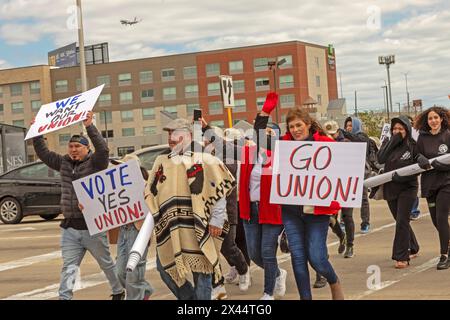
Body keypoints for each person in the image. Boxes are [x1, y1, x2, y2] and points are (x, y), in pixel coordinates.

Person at [256, 101, 344, 300]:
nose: (295, 130)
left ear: (308, 124)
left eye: (299, 125)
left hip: (317, 212)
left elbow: (341, 175)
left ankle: (334, 281)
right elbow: (260, 138)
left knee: (317, 258)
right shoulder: (283, 145)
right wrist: (265, 112)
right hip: (291, 212)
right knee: (297, 257)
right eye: (291, 126)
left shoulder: (326, 144)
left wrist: (336, 204)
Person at [32, 111, 124, 300]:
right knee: (69, 267)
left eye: (77, 146)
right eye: (70, 146)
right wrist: (37, 132)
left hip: (93, 227)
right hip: (70, 228)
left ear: (86, 148)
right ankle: (65, 297)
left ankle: (118, 291)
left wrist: (90, 126)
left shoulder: (96, 163)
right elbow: (43, 153)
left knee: (106, 263)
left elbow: (104, 150)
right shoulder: (63, 163)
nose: (73, 149)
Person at [145, 118, 235, 299]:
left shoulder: (205, 160)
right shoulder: (161, 161)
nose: (171, 138)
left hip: (199, 225)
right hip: (170, 226)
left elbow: (218, 191)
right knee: (164, 269)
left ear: (188, 135)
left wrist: (217, 219)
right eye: (169, 133)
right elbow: (151, 190)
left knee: (201, 271)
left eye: (176, 133)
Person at [239, 92, 287, 300]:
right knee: (254, 254)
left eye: (269, 133)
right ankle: (278, 273)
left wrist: (265, 113)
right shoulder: (248, 154)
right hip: (251, 210)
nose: (263, 136)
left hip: (271, 210)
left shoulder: (280, 156)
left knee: (268, 252)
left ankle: (268, 292)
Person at [201, 123, 251, 299]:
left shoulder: (230, 156)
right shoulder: (206, 153)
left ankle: (244, 270)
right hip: (208, 209)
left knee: (229, 245)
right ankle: (218, 284)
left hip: (228, 208)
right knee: (214, 250)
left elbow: (225, 178)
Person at [377, 116, 420, 269]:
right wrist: (392, 141)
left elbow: (418, 163)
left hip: (408, 188)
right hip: (391, 187)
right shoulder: (389, 144)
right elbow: (380, 158)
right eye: (395, 129)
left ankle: (401, 256)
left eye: (401, 129)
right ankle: (413, 246)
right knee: (401, 220)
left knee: (402, 221)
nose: (397, 131)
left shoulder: (413, 145)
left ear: (407, 130)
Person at [109, 154, 154, 300]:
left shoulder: (146, 185)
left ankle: (136, 297)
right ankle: (145, 290)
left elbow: (152, 209)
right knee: (119, 272)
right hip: (123, 230)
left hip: (138, 230)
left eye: (124, 166)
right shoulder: (116, 187)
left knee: (133, 271)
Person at [414, 106, 450, 270]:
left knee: (442, 218)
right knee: (436, 221)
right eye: (430, 118)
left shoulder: (448, 135)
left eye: (436, 117)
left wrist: (440, 165)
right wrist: (419, 157)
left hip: (446, 183)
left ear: (441, 119)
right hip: (430, 184)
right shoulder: (422, 138)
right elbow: (417, 154)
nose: (433, 121)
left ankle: (444, 255)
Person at [343, 117, 373, 234]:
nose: (348, 128)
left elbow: (358, 140)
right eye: (347, 126)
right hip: (347, 170)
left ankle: (365, 222)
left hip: (361, 171)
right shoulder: (344, 139)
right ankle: (343, 220)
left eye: (350, 125)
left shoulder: (362, 137)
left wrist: (344, 134)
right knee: (344, 196)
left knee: (363, 198)